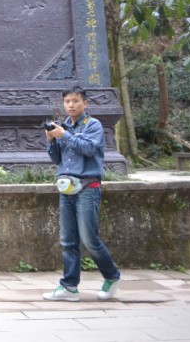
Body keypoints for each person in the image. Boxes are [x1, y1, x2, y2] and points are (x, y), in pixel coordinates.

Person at [42, 84, 121, 302]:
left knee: (89, 239)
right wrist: (51, 140)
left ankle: (112, 276)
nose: (71, 105)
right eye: (67, 101)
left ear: (85, 103)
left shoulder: (93, 125)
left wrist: (64, 135)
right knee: (68, 241)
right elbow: (57, 159)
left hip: (88, 187)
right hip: (66, 188)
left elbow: (88, 149)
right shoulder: (64, 127)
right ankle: (69, 287)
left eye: (75, 101)